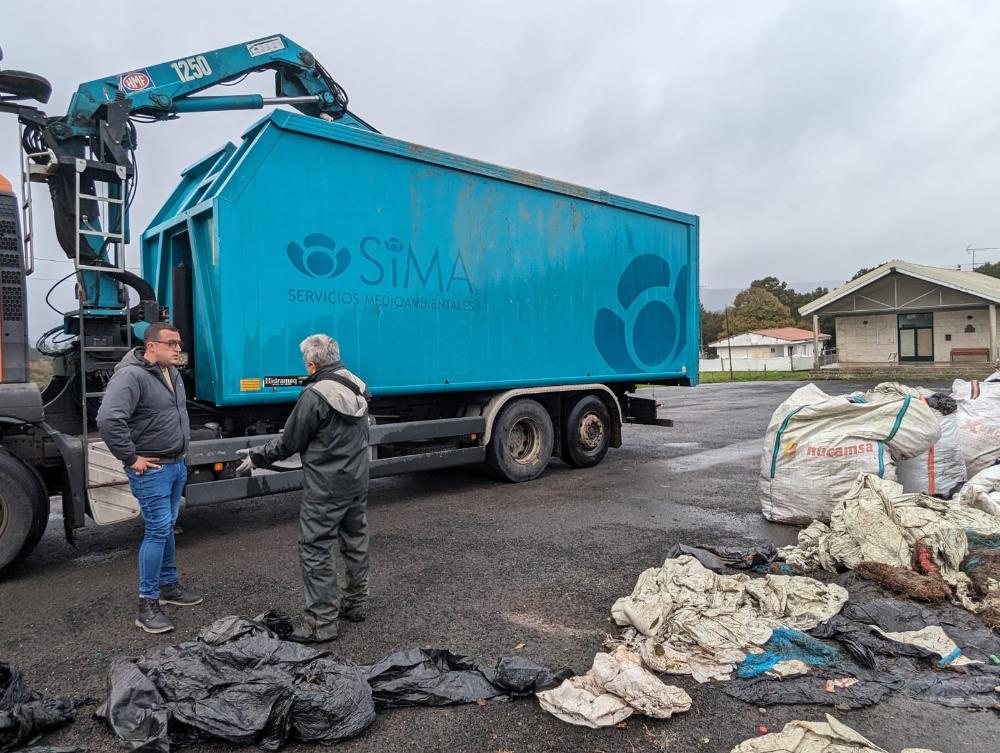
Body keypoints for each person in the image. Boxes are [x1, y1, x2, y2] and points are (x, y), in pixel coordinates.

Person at [237, 334, 371, 643]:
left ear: (312, 364)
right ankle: (356, 604)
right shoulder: (359, 385)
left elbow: (289, 442)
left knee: (315, 546)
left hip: (326, 486)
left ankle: (321, 623)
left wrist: (256, 456)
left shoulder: (315, 395)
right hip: (357, 479)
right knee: (356, 539)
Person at [96, 322, 202, 634]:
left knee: (167, 526)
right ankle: (147, 603)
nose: (178, 349)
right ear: (151, 346)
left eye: (179, 343)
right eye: (171, 343)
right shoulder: (131, 375)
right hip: (152, 469)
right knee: (157, 530)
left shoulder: (173, 373)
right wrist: (130, 457)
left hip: (176, 464)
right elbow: (108, 418)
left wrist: (182, 452)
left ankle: (169, 586)